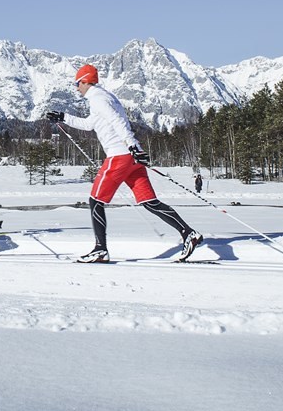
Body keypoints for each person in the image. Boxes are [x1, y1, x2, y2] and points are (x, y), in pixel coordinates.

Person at [46, 64, 203, 263]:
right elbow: (89, 124)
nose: (76, 88)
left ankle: (100, 249)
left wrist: (132, 145)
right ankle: (188, 233)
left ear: (85, 81)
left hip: (119, 155)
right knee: (149, 202)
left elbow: (116, 121)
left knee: (96, 200)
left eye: (77, 84)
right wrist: (63, 117)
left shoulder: (97, 99)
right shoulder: (104, 97)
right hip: (131, 159)